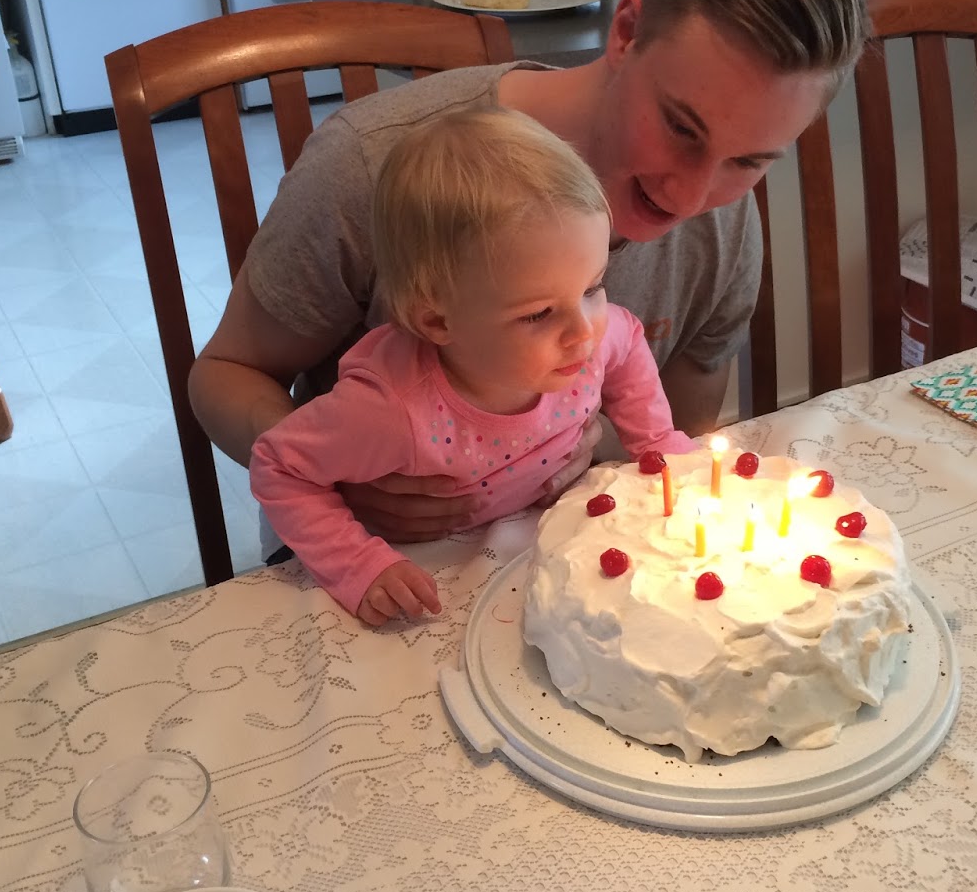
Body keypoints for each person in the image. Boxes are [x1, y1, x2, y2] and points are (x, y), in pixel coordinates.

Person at [190, 0, 869, 546]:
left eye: (747, 161)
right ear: (626, 33)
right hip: (369, 568)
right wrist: (341, 486)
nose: (691, 197)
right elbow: (223, 375)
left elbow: (673, 448)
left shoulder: (725, 226)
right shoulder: (371, 164)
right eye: (680, 128)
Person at [248, 109, 696, 625]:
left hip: (533, 554)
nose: (584, 332)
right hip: (420, 566)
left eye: (593, 287)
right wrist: (357, 564)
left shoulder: (592, 336)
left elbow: (628, 341)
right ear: (438, 321)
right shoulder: (390, 411)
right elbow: (279, 466)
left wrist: (656, 442)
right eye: (538, 314)